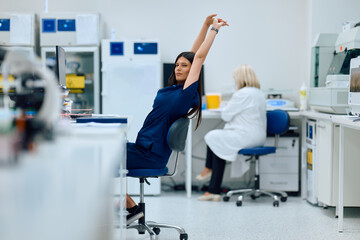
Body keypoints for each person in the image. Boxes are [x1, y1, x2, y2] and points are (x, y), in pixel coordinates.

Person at [125, 14, 228, 225]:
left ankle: (130, 208)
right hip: (142, 148)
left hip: (149, 155)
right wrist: (204, 24)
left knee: (99, 159)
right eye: (177, 65)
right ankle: (128, 207)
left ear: (193, 73)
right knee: (104, 152)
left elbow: (198, 58)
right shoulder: (175, 89)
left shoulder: (185, 96)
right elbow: (193, 55)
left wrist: (214, 31)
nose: (178, 68)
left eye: (184, 66)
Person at [196, 64, 266, 201]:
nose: (235, 82)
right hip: (258, 137)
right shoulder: (258, 93)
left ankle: (208, 171)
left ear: (240, 78)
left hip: (247, 136)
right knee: (218, 142)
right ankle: (213, 190)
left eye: (235, 79)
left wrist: (227, 106)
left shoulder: (242, 93)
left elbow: (226, 116)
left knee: (212, 136)